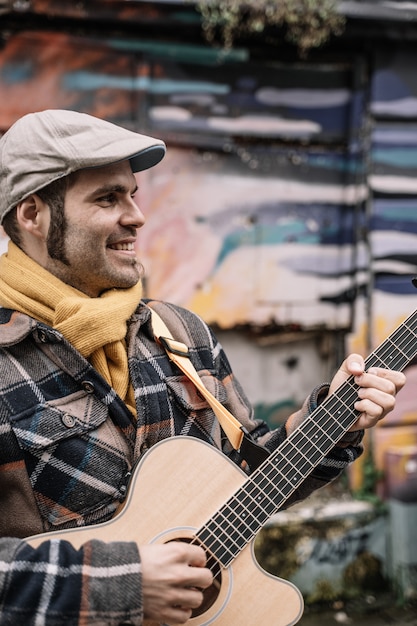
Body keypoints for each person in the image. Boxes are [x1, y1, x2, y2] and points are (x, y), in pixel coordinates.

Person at [0, 109, 405, 626]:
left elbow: (247, 482)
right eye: (107, 198)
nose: (136, 216)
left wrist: (331, 423)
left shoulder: (181, 334)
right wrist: (121, 585)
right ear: (33, 215)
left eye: (132, 194)